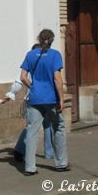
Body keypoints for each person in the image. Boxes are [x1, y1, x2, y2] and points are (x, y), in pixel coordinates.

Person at [19, 29, 69, 176]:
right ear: (52, 40)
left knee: (32, 131)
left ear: (39, 39)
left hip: (35, 99)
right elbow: (57, 79)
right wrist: (61, 98)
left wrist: (32, 86)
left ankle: (30, 167)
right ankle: (61, 163)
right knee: (58, 128)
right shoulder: (55, 55)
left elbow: (23, 77)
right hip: (51, 98)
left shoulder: (30, 55)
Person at [9, 44, 54, 161]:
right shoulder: (47, 62)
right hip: (46, 99)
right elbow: (55, 79)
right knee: (47, 126)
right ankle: (48, 153)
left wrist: (11, 93)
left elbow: (20, 80)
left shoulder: (29, 62)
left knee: (32, 127)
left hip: (34, 99)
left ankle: (20, 150)